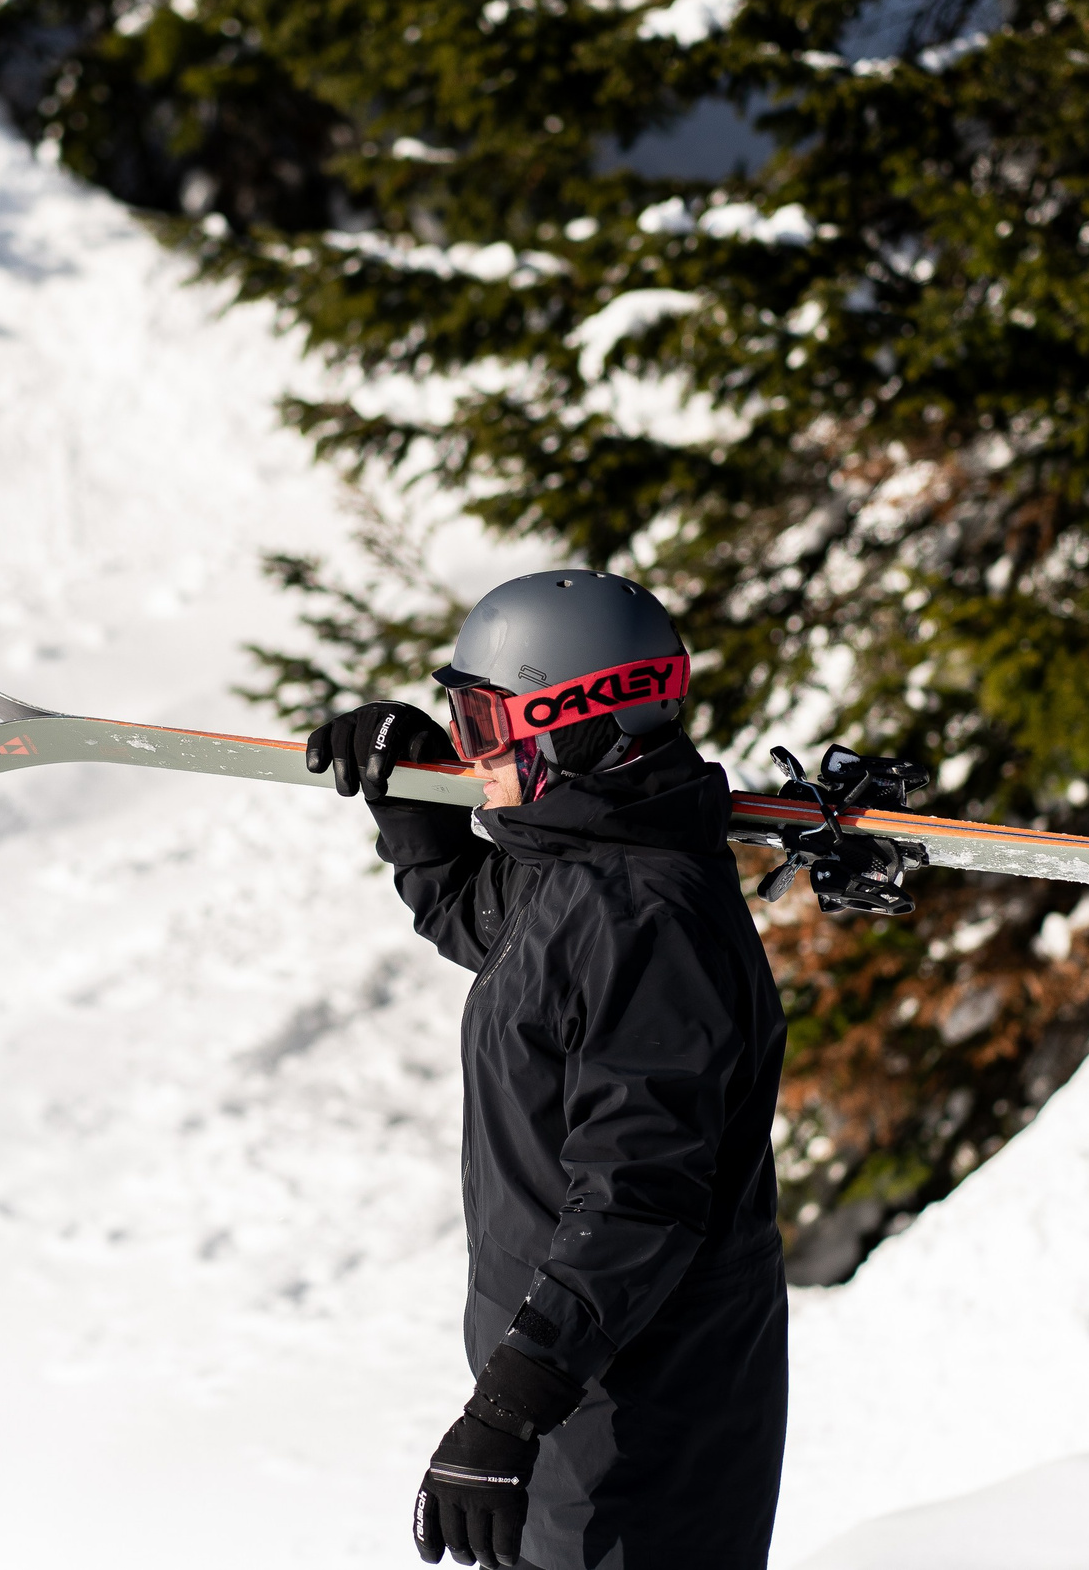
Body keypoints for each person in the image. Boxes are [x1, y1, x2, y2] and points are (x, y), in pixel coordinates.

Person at [305, 570, 788, 1570]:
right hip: (580, 1395)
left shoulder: (647, 921)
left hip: (636, 1428)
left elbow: (638, 1201)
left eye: (481, 721)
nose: (469, 747)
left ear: (570, 723)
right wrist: (413, 800)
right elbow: (497, 936)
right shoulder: (579, 874)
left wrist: (508, 1411)